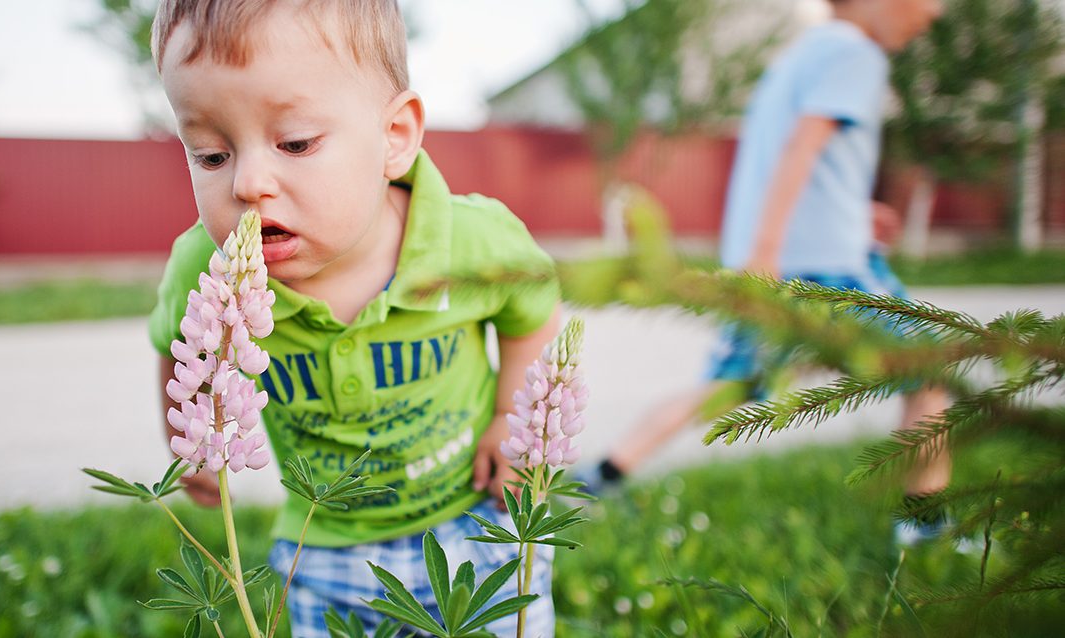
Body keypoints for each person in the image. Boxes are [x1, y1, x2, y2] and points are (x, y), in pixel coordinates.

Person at [145, 1, 562, 635]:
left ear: (394, 138)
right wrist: (191, 443)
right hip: (325, 537)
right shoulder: (205, 265)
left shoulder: (475, 241)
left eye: (295, 142)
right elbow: (179, 348)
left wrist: (512, 417)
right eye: (209, 155)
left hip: (477, 518)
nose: (249, 183)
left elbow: (533, 310)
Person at [580, 0, 951, 546]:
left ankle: (604, 474)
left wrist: (843, 212)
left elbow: (795, 159)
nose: (933, 13)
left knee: (728, 384)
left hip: (779, 258)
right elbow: (803, 148)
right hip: (826, 269)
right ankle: (926, 528)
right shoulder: (856, 53)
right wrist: (769, 251)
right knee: (932, 370)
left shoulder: (797, 58)